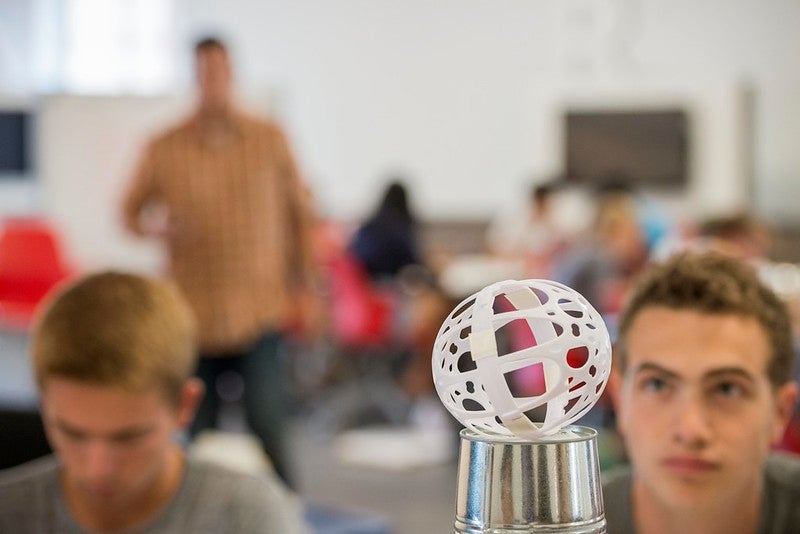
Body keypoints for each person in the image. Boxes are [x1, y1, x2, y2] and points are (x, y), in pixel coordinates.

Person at [122, 36, 316, 486]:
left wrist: (308, 287)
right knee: (191, 430)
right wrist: (158, 227)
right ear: (195, 76)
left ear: (232, 73)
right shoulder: (164, 145)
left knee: (269, 422)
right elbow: (129, 212)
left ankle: (287, 515)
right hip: (194, 312)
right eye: (204, 72)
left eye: (220, 71)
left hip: (258, 307)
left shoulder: (269, 139)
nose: (213, 81)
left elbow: (299, 218)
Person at [0, 271, 307, 533]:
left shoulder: (248, 517)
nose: (98, 469)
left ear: (185, 406)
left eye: (128, 437)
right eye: (72, 433)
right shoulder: (10, 514)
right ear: (43, 403)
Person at [604, 251, 800, 534]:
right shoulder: (564, 524)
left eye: (727, 388)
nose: (691, 430)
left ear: (780, 412)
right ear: (620, 400)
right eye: (657, 384)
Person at [348, 180, 422, 281]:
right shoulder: (401, 228)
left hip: (365, 281)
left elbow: (354, 253)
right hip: (391, 283)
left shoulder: (370, 224)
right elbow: (411, 259)